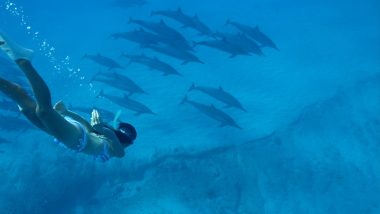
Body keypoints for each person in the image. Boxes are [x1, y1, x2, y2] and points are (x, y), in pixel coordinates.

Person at [0, 32, 136, 162]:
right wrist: (102, 129)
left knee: (25, 105)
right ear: (126, 142)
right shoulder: (117, 151)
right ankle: (24, 62)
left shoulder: (108, 141)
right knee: (43, 112)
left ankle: (18, 66)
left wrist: (67, 113)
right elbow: (107, 137)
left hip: (73, 134)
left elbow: (87, 125)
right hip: (76, 138)